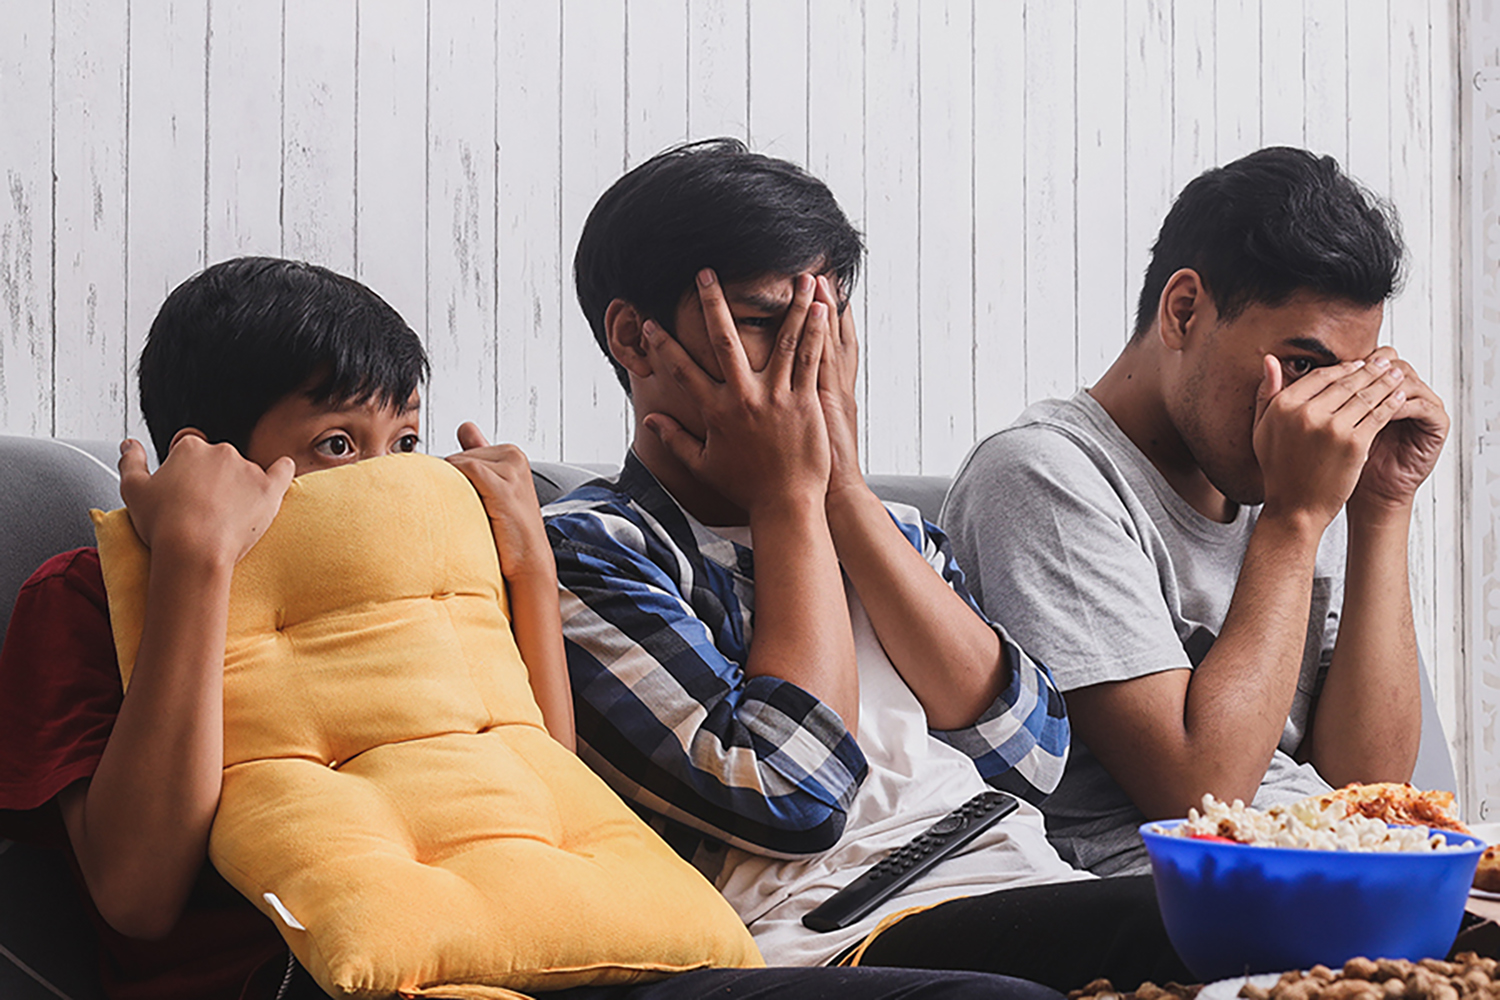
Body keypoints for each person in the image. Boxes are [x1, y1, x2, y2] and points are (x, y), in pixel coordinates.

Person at [0, 255, 1065, 1000]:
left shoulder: (440, 576)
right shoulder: (83, 594)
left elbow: (548, 800)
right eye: (337, 445)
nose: (387, 482)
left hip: (556, 962)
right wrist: (194, 570)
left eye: (404, 441)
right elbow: (136, 894)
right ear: (208, 456)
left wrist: (525, 571)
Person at [545, 138, 1193, 993]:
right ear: (635, 336)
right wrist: (786, 503)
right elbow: (793, 797)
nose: (807, 356)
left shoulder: (890, 530)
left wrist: (840, 492)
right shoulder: (592, 550)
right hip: (832, 935)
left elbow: (1031, 753)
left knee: (1331, 929)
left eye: (828, 318)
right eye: (764, 320)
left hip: (1022, 881)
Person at [941, 146, 1449, 877]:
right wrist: (1295, 519)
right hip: (1155, 898)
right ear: (1184, 312)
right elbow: (1198, 794)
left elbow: (1367, 789)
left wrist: (1382, 505)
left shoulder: (1303, 467)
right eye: (1302, 365)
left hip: (1324, 870)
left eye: (1348, 378)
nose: (1321, 411)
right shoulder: (1041, 475)